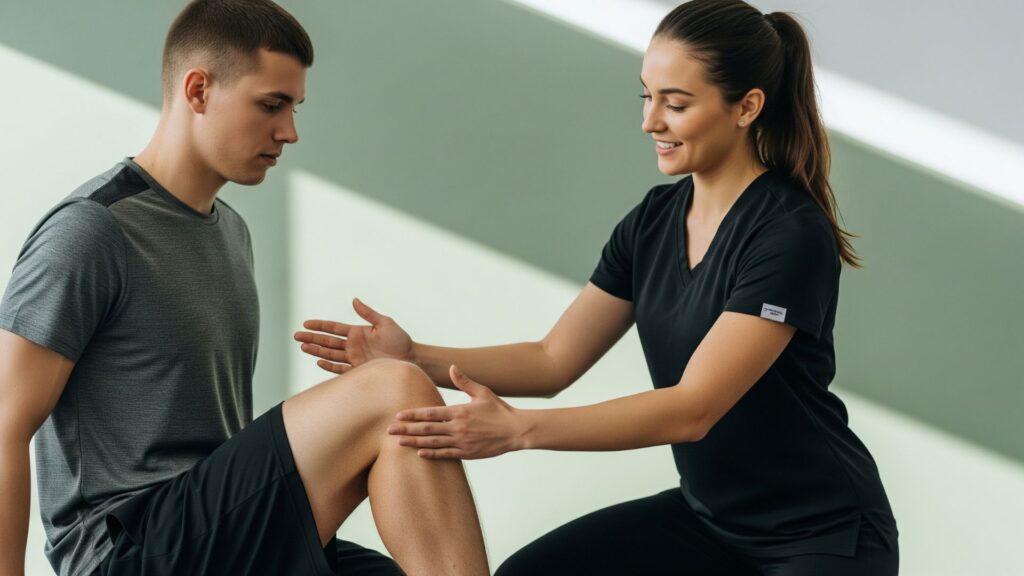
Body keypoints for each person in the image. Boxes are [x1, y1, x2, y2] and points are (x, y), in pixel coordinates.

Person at [294, 0, 899, 574]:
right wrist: (414, 358)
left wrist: (517, 431)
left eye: (676, 104)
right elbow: (552, 360)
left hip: (822, 534)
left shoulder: (789, 233)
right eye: (647, 97)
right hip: (713, 520)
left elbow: (694, 408)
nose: (649, 122)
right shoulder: (653, 222)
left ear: (746, 107)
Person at [0, 2, 490, 575]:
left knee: (400, 453)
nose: (290, 132)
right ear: (199, 90)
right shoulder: (93, 230)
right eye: (271, 105)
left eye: (294, 108)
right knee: (393, 389)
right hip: (129, 549)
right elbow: (5, 422)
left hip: (221, 531)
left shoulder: (231, 230)